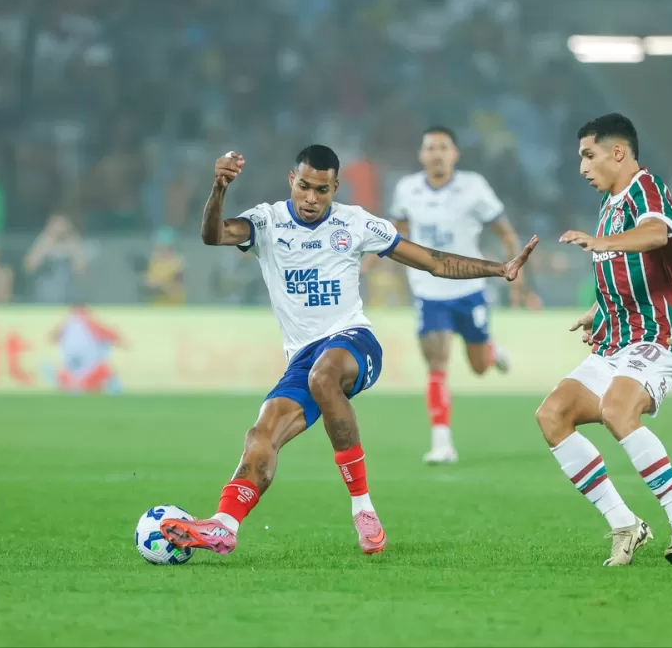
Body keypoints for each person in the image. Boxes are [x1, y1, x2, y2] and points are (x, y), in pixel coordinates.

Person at [160, 145, 537, 556]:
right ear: (292, 179)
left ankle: (363, 509)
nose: (310, 198)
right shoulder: (267, 222)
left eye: (321, 190)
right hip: (302, 355)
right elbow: (212, 235)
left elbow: (431, 260)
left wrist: (499, 269)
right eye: (304, 187)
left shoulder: (355, 223)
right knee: (262, 433)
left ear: (335, 188)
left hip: (354, 341)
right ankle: (224, 524)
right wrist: (219, 188)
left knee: (324, 375)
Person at [537, 113, 672, 566]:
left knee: (617, 408)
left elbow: (657, 234)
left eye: (588, 155)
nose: (582, 168)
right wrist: (600, 309)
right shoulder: (611, 204)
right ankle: (625, 524)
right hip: (616, 341)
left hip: (659, 337)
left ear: (618, 152)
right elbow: (626, 267)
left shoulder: (645, 189)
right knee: (553, 415)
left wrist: (597, 242)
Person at [387, 126, 538, 464]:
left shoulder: (474, 188)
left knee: (480, 367)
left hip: (469, 289)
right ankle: (442, 442)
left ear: (455, 154)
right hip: (428, 291)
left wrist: (518, 279)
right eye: (430, 147)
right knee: (437, 365)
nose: (437, 153)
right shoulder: (406, 190)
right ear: (421, 155)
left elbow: (506, 233)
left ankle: (489, 349)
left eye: (443, 147)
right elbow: (395, 234)